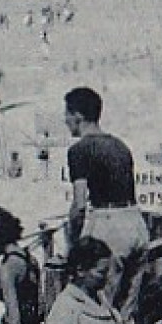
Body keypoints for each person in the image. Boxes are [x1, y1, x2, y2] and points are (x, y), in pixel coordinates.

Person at [63, 86, 149, 311]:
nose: (65, 121)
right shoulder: (121, 146)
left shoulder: (80, 150)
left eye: (67, 115)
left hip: (111, 227)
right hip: (136, 223)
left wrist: (73, 243)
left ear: (77, 116)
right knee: (127, 310)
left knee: (100, 307)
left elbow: (80, 205)